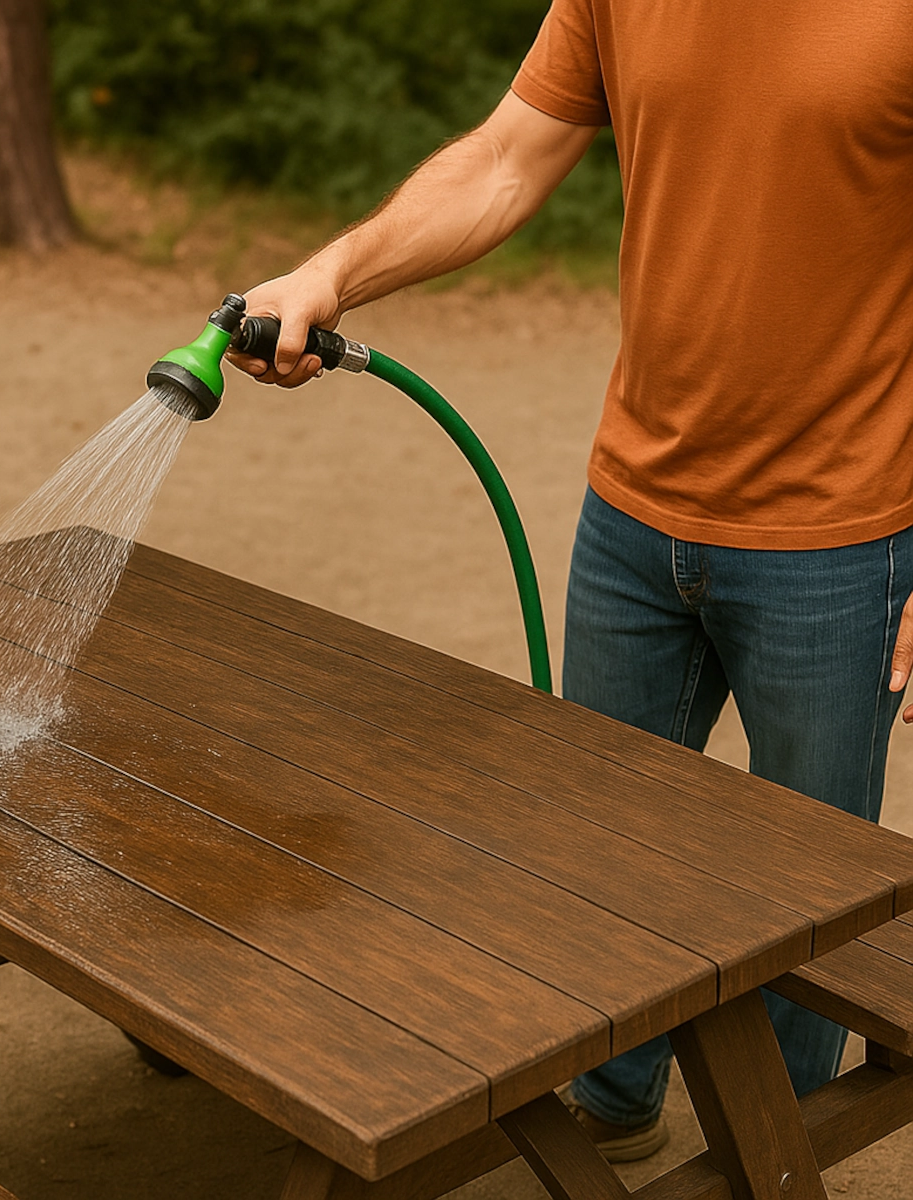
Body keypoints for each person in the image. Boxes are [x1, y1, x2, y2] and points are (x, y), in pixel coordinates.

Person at [227, 0, 913, 1164]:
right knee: (589, 855)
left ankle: (775, 1160)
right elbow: (504, 159)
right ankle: (612, 1114)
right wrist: (331, 270)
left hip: (840, 544)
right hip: (633, 519)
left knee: (805, 900)